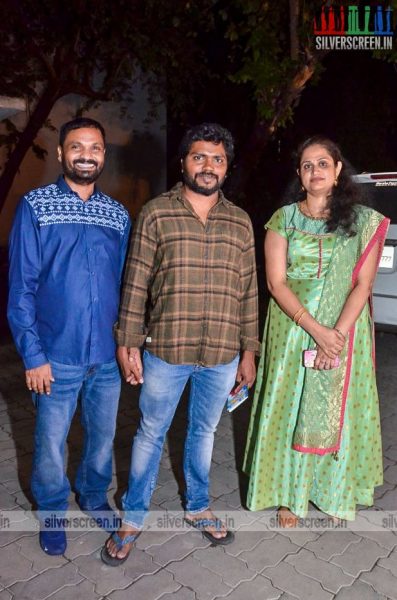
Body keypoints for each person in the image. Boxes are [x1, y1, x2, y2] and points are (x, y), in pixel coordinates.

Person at [101, 122, 260, 566]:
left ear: (227, 168)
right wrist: (126, 343)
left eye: (217, 159)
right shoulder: (156, 213)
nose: (208, 166)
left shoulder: (241, 222)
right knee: (151, 433)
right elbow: (135, 284)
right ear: (184, 162)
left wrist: (249, 352)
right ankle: (133, 517)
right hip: (166, 350)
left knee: (204, 432)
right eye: (199, 156)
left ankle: (198, 506)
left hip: (222, 354)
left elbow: (248, 292)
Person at [243, 136, 390, 526]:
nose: (315, 171)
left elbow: (363, 284)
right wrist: (316, 331)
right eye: (307, 165)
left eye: (323, 163)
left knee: (338, 409)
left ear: (338, 169)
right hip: (292, 330)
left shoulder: (362, 221)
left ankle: (333, 489)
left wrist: (335, 335)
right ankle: (289, 496)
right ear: (299, 174)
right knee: (288, 407)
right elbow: (276, 284)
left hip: (346, 327)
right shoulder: (283, 219)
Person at [7, 117, 131, 555]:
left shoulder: (117, 215)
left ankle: (94, 495)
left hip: (104, 356)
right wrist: (32, 355)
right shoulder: (36, 206)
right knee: (50, 444)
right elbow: (21, 287)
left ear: (103, 155)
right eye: (76, 147)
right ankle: (53, 511)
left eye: (94, 148)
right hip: (54, 355)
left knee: (102, 438)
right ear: (61, 153)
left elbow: (124, 285)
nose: (85, 154)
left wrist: (126, 342)